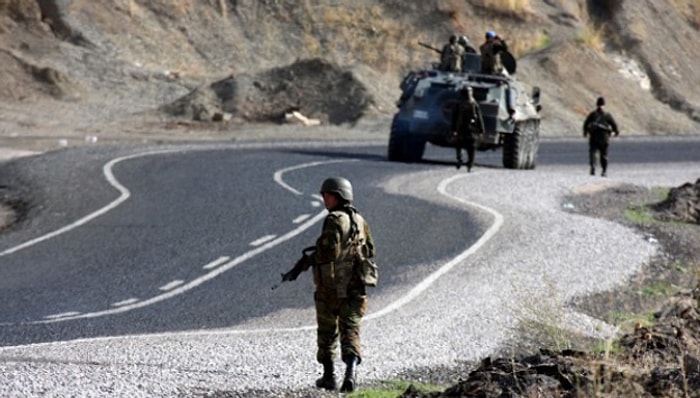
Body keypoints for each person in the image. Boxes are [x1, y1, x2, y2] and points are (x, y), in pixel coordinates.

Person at [281, 177, 376, 392]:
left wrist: (306, 262)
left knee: (327, 331)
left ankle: (329, 376)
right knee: (350, 329)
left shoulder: (334, 219)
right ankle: (351, 374)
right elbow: (370, 249)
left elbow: (328, 252)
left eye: (327, 195)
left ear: (337, 196)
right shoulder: (360, 220)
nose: (324, 199)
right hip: (355, 286)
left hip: (331, 286)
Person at [583, 96, 619, 176]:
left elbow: (586, 123)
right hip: (604, 138)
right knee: (603, 155)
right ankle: (604, 171)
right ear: (604, 105)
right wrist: (615, 132)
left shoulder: (593, 114)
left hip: (595, 137)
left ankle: (593, 167)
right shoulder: (607, 115)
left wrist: (585, 132)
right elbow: (614, 126)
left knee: (593, 153)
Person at [451, 86, 484, 172]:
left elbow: (479, 117)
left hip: (470, 129)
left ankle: (469, 163)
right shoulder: (460, 104)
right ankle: (462, 161)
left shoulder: (473, 104)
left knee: (470, 147)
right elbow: (455, 117)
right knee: (461, 145)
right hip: (463, 128)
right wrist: (454, 129)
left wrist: (481, 129)